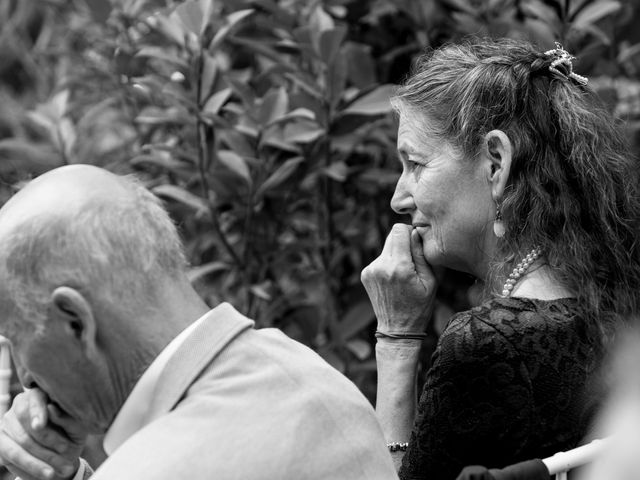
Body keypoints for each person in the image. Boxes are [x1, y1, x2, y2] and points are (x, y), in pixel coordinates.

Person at [0, 164, 397, 480]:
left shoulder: (158, 467)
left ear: (75, 322)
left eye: (14, 336)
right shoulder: (303, 371)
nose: (24, 378)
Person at [361, 37, 640, 480]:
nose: (399, 198)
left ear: (495, 163)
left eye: (414, 164)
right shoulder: (618, 300)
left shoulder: (491, 344)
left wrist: (396, 338)